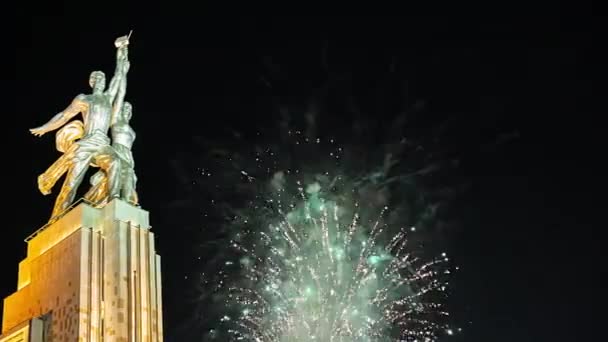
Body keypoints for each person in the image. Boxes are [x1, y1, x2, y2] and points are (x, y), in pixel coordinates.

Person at [30, 42, 130, 219]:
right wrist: (45, 128)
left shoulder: (108, 98)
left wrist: (122, 51)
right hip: (86, 144)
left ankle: (114, 198)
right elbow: (63, 116)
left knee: (115, 162)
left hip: (102, 145)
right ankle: (56, 217)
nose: (100, 80)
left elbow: (120, 74)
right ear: (91, 82)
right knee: (72, 182)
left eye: (102, 78)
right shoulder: (84, 99)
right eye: (97, 78)